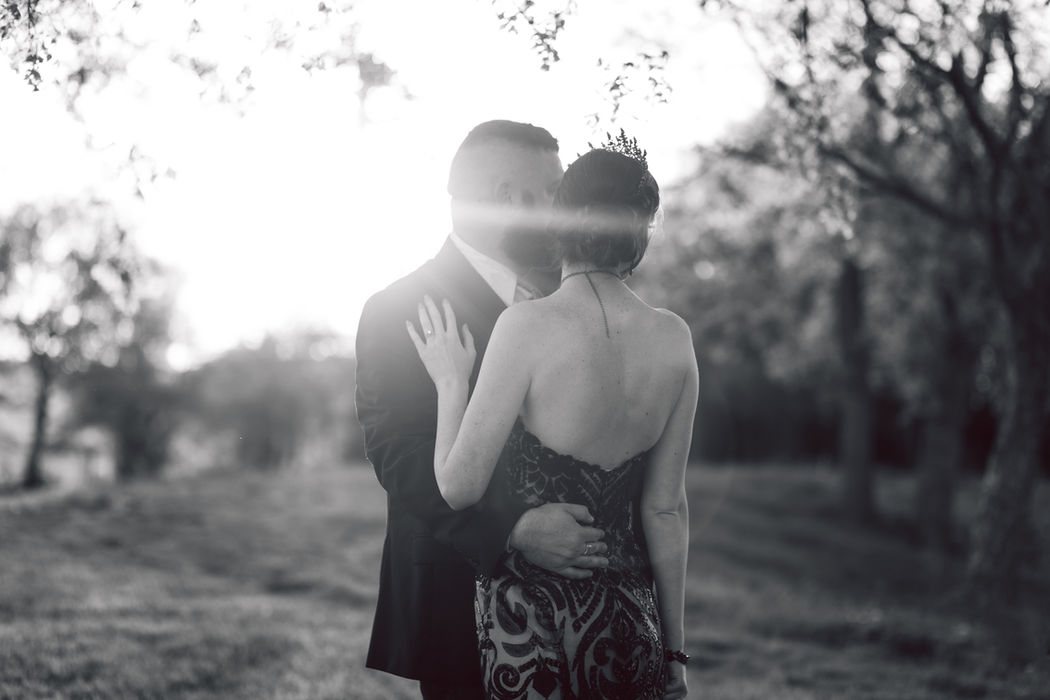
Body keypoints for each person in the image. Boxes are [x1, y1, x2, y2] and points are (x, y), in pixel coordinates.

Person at [407, 140, 696, 699]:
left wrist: (450, 384)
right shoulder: (675, 339)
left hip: (530, 629)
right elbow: (666, 509)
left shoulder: (525, 326)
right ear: (640, 231)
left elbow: (457, 487)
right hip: (628, 626)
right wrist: (674, 655)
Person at [355, 120, 613, 700]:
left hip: (585, 598)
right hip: (459, 593)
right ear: (506, 197)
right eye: (552, 191)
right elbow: (400, 455)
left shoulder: (575, 295)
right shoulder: (397, 307)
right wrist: (516, 529)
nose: (562, 206)